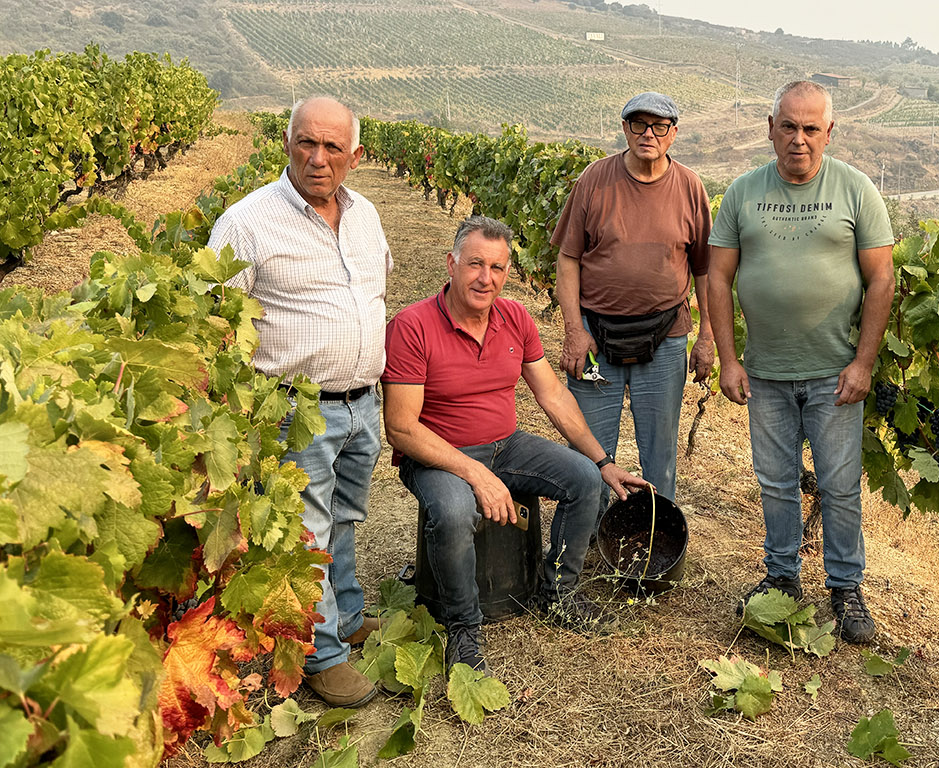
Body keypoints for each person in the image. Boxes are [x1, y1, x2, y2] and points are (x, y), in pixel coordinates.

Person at [382, 215, 650, 673]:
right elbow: (402, 429)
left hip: (505, 443)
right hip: (436, 455)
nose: (486, 279)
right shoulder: (412, 326)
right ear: (451, 264)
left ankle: (557, 592)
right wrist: (475, 474)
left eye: (498, 268)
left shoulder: (516, 318)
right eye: (475, 264)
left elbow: (553, 395)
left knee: (585, 479)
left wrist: (603, 460)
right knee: (452, 512)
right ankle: (463, 627)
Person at [207, 96, 390, 706]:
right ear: (285, 143)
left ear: (355, 157)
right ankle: (321, 655)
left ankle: (348, 614)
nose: (318, 158)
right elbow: (214, 324)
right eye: (306, 143)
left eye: (333, 146)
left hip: (362, 403)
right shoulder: (247, 222)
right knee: (306, 531)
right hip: (293, 407)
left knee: (344, 517)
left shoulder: (365, 216)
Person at [706, 81, 894, 644]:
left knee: (839, 485)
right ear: (770, 127)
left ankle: (845, 589)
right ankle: (782, 578)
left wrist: (863, 362)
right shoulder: (742, 193)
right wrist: (728, 359)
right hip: (764, 371)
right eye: (788, 126)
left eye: (812, 128)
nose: (799, 139)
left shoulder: (856, 191)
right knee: (776, 482)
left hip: (835, 373)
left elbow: (882, 278)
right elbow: (717, 276)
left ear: (829, 133)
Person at [551, 91, 713, 513]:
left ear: (673, 133)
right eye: (639, 124)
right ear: (624, 129)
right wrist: (574, 331)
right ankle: (590, 538)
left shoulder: (690, 187)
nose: (649, 134)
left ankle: (654, 540)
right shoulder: (594, 179)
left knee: (659, 457)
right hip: (594, 337)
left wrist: (708, 338)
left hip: (665, 340)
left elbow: (705, 271)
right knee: (589, 453)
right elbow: (567, 259)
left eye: (660, 126)